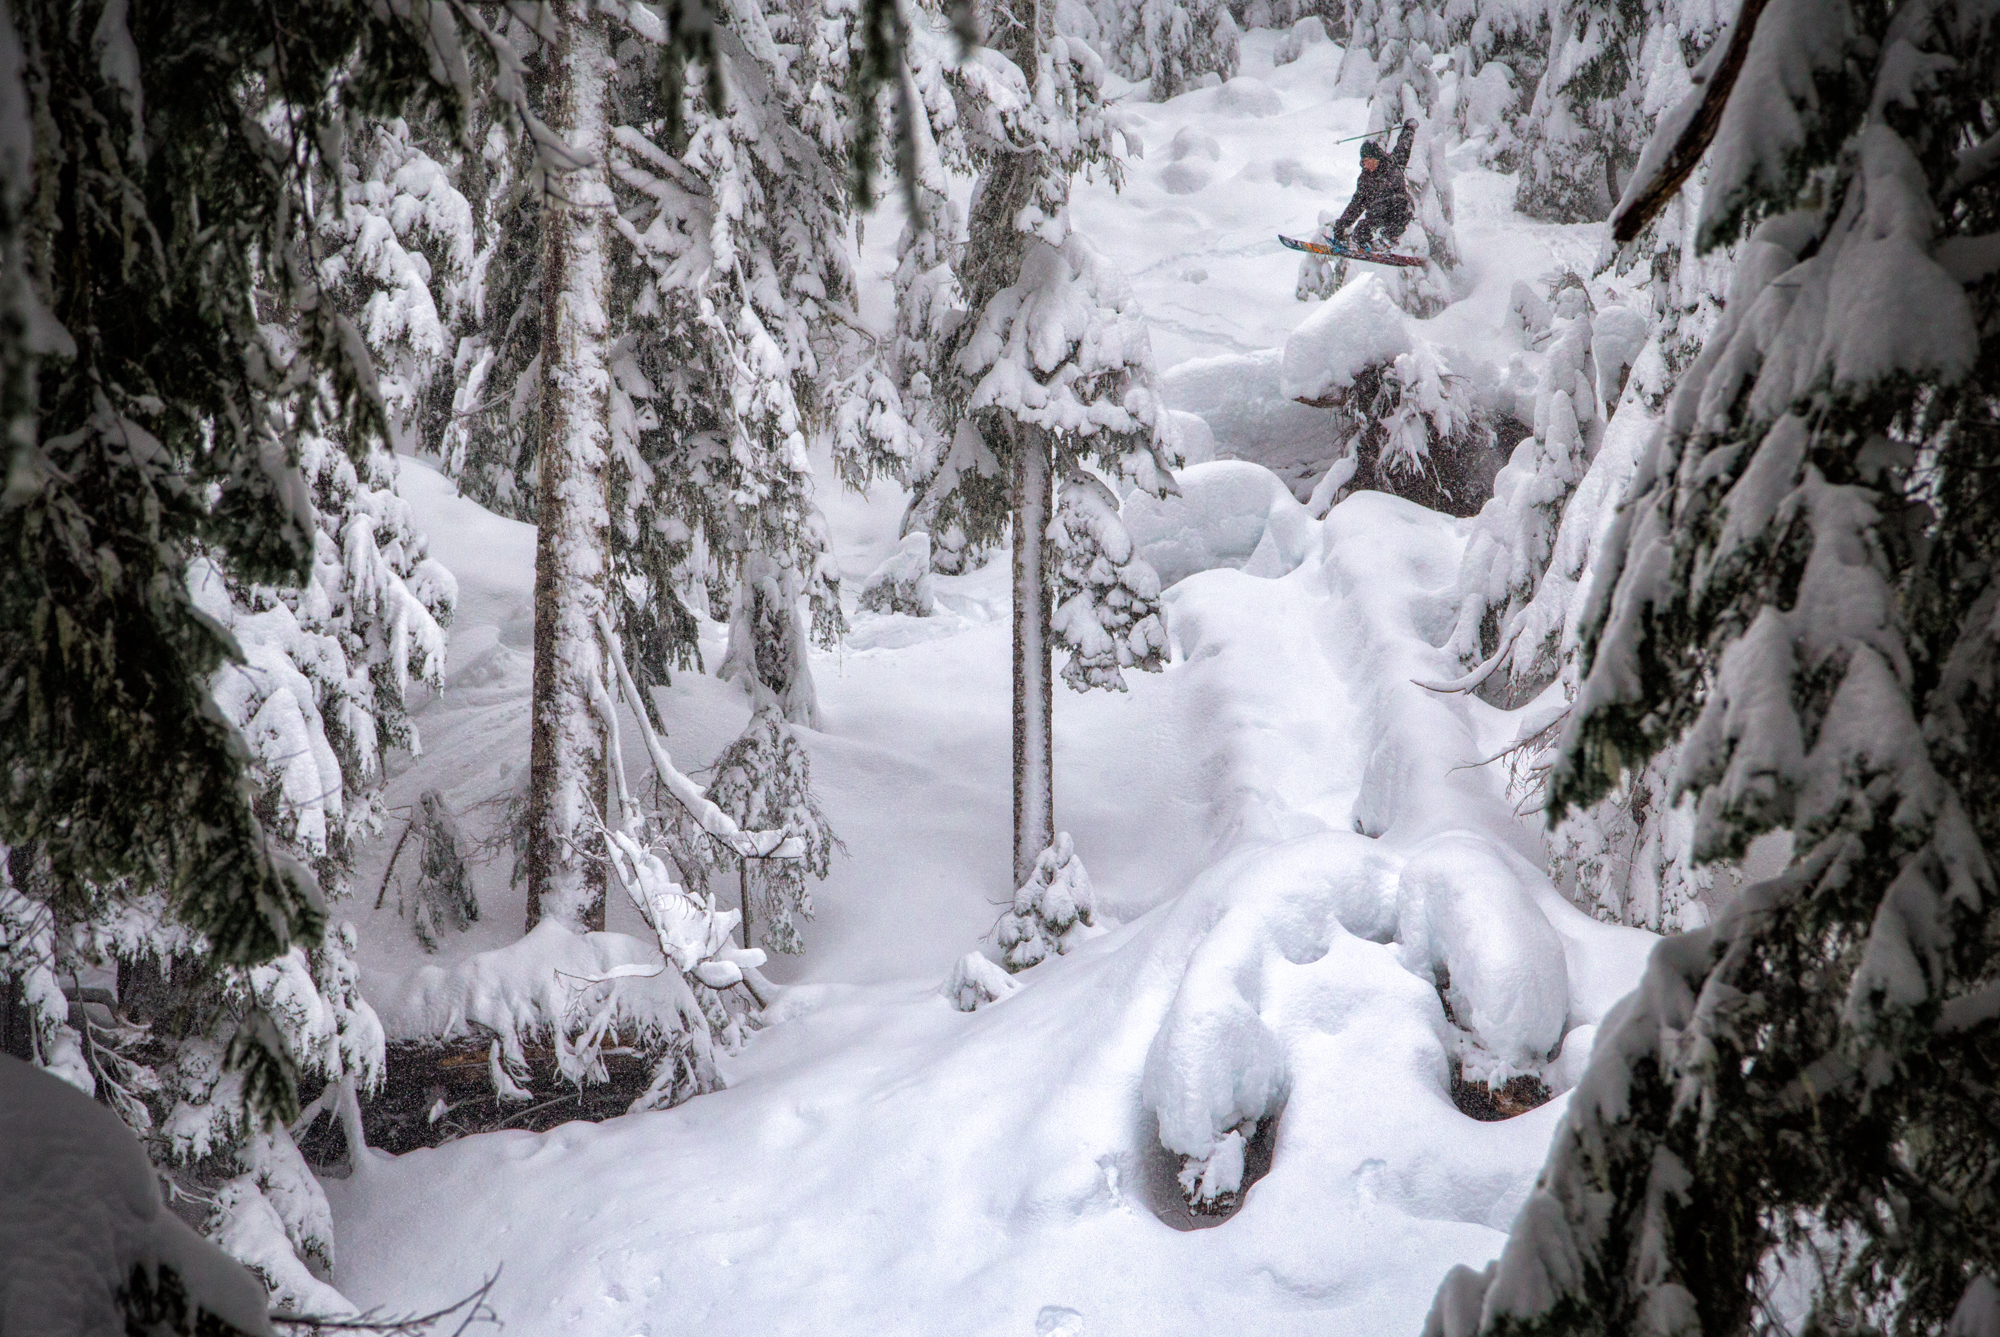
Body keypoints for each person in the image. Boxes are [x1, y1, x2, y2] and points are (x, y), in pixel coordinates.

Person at [1331, 119, 1419, 252]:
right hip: (1378, 216)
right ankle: (1364, 245)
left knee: (1389, 213)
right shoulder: (1365, 180)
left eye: (1370, 159)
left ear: (1377, 157)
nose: (1368, 164)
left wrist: (1409, 131)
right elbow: (1356, 204)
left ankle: (1387, 241)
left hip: (1399, 211)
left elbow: (1403, 147)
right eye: (1364, 161)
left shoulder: (1392, 164)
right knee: (1361, 229)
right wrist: (1342, 225)